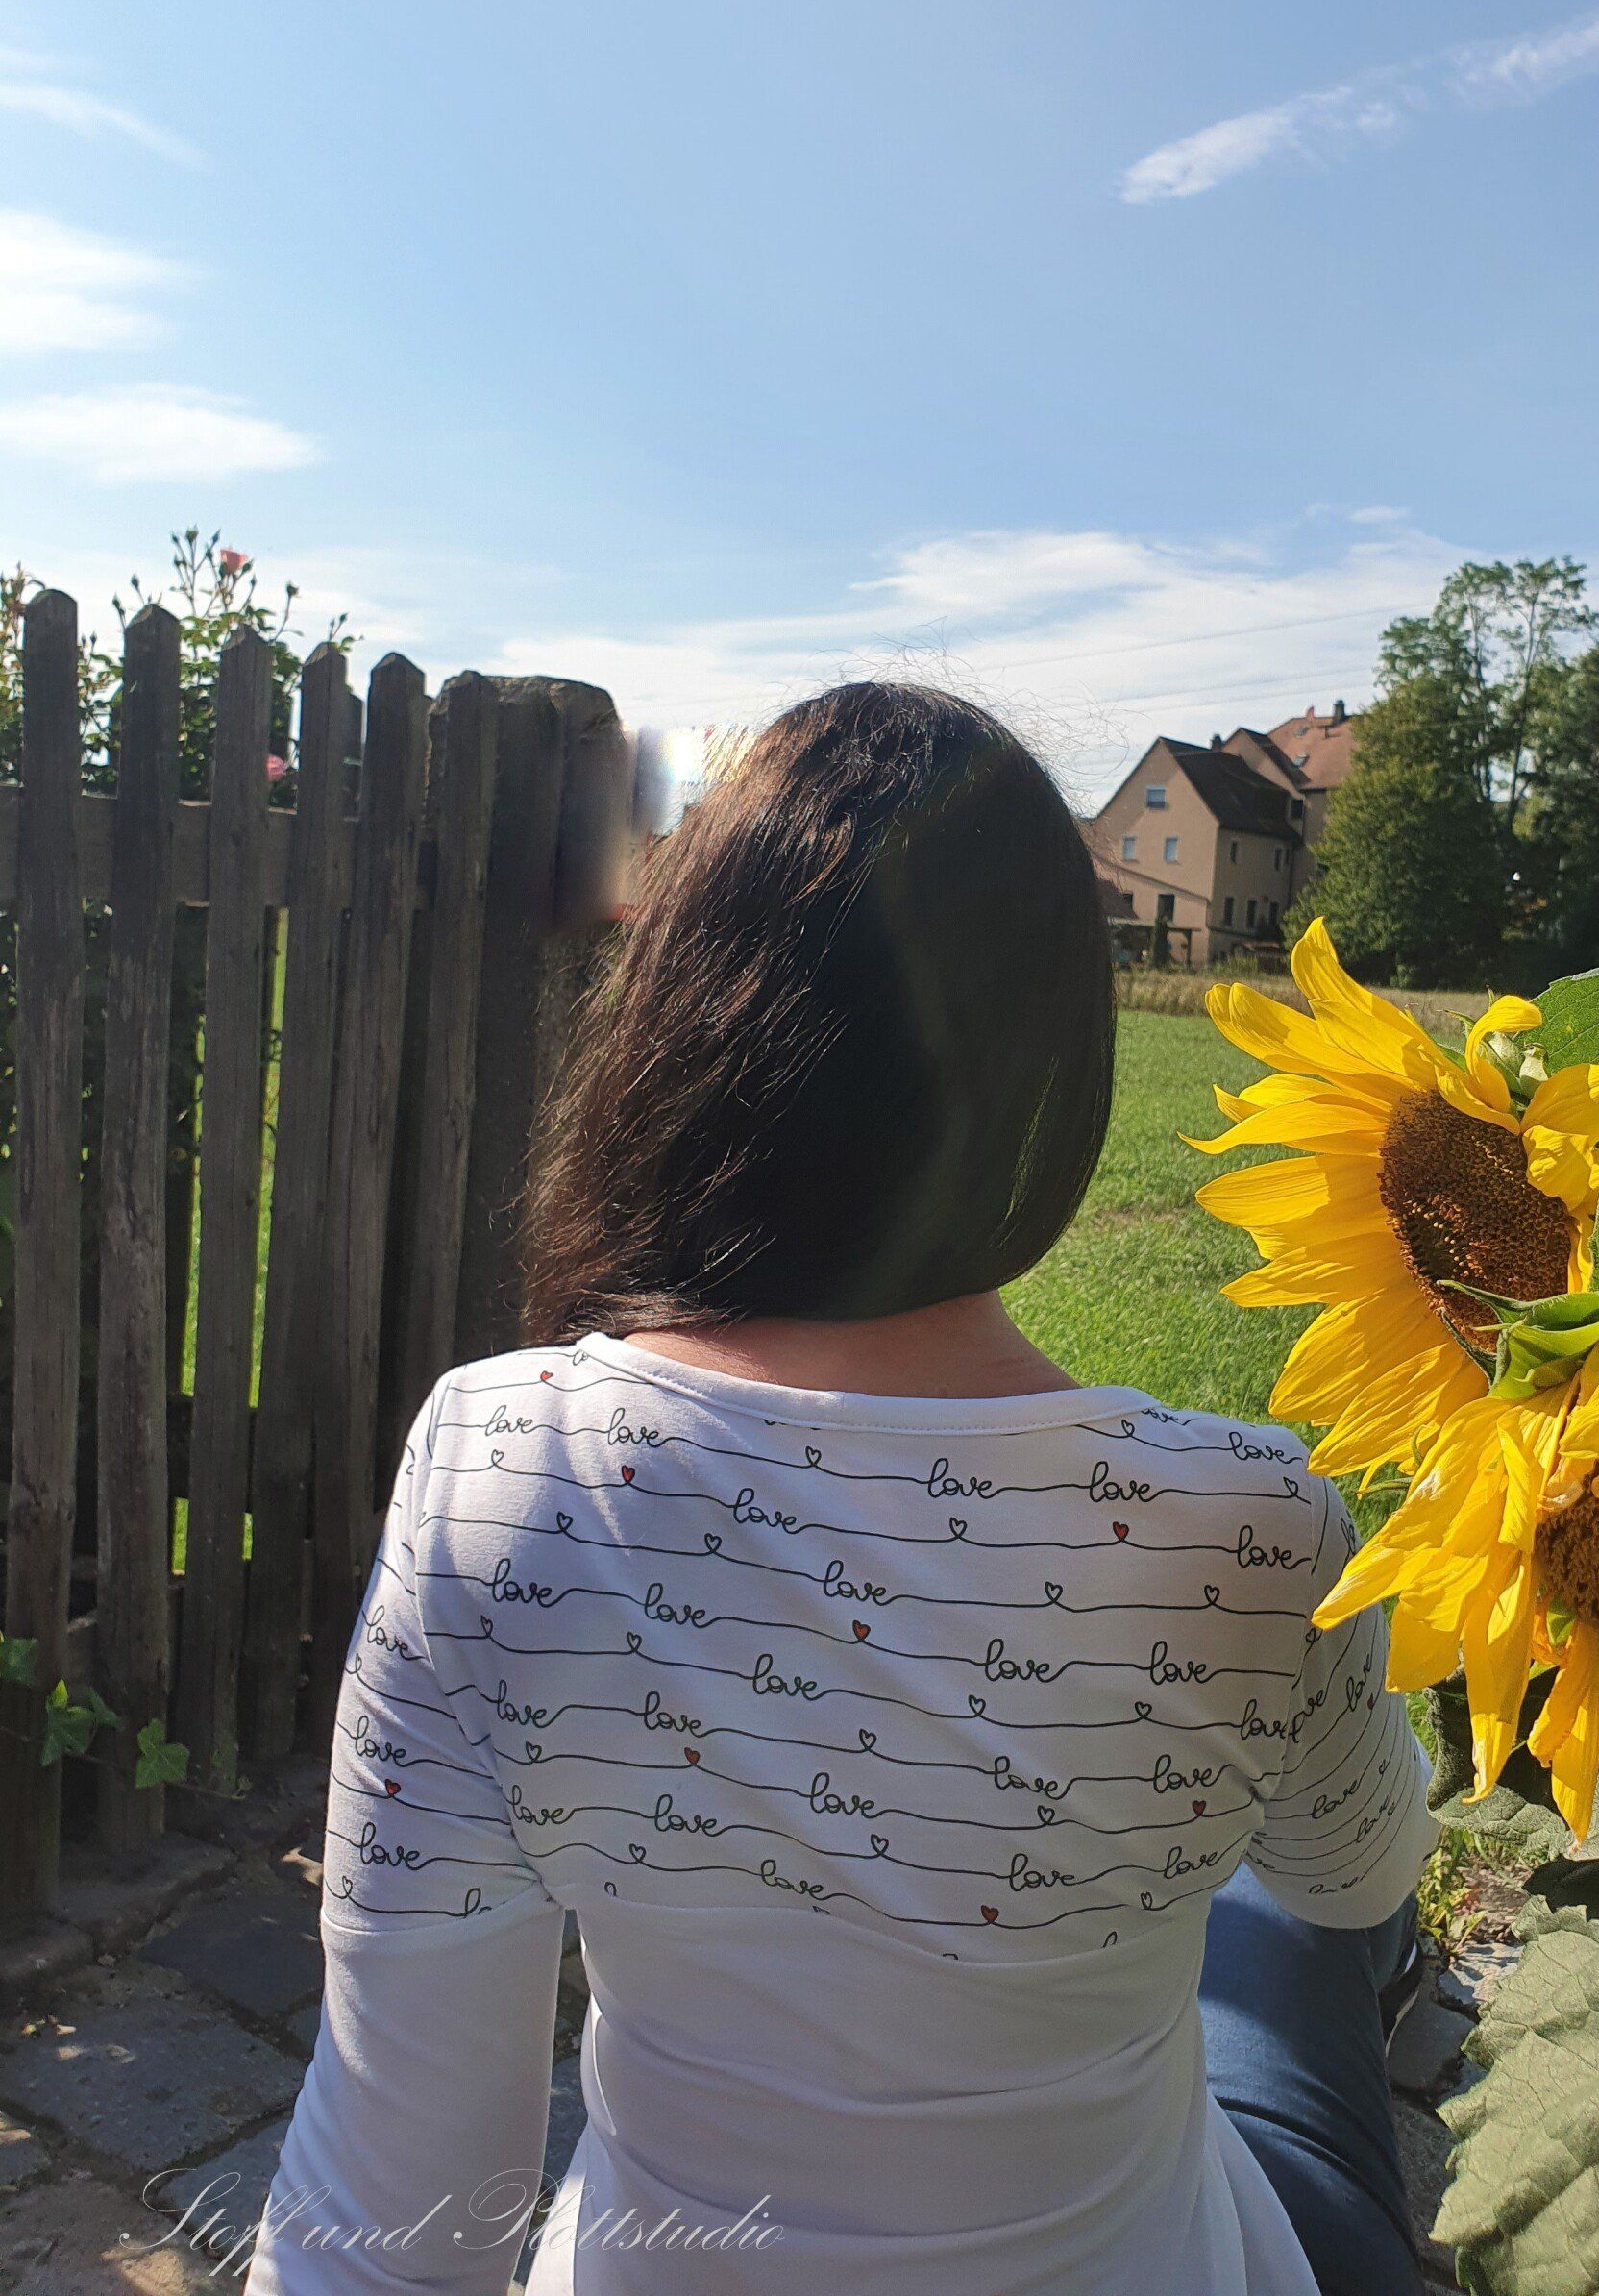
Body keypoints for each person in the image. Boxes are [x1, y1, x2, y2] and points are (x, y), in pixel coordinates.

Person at [248, 683, 1437, 2296]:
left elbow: (388, 2208)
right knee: (1274, 1945)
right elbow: (1359, 1876)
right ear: (1045, 1068)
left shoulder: (502, 1468)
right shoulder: (1254, 1523)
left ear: (684, 1026)